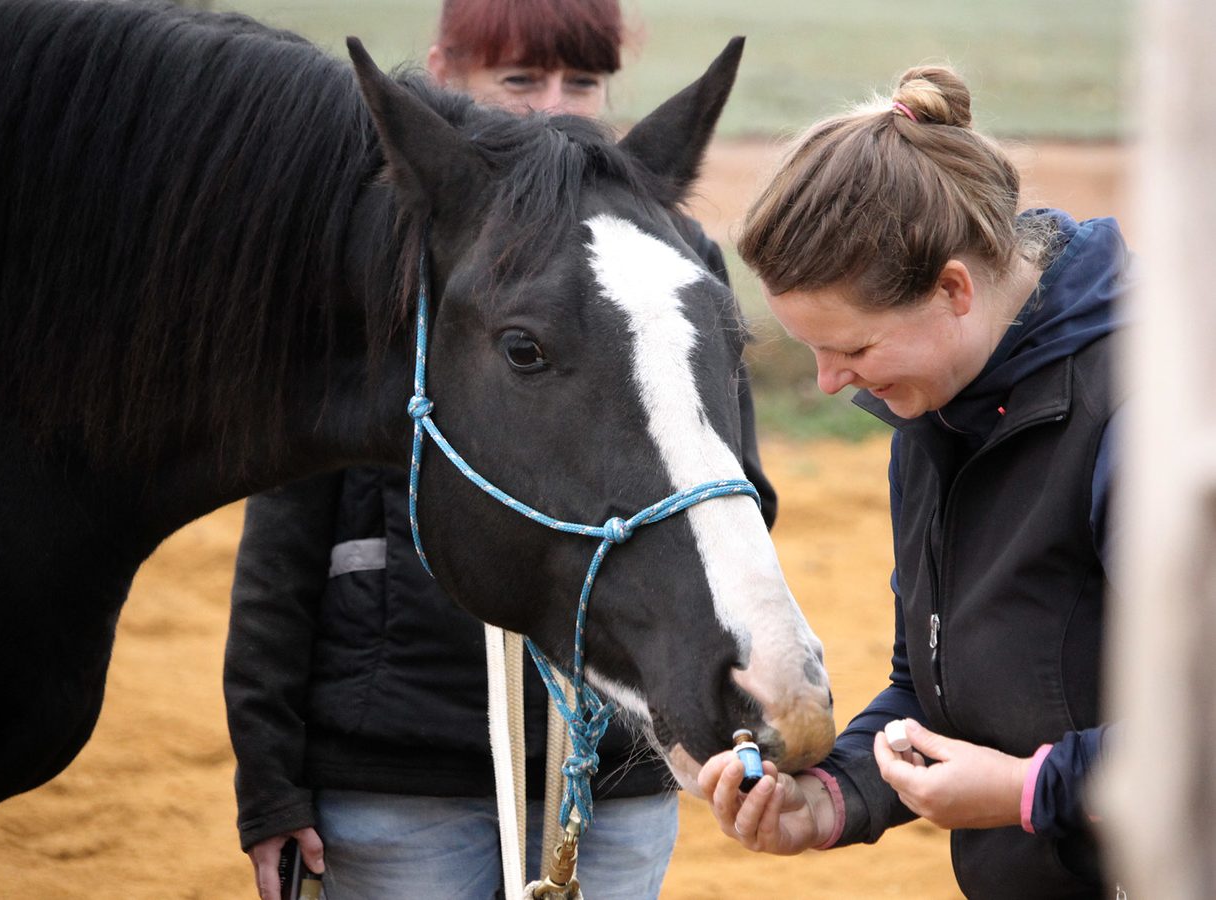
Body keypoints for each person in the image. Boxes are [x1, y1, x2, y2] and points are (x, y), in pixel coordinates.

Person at [223, 2, 777, 898]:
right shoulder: (376, 260)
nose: (552, 104)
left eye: (581, 82)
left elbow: (735, 502)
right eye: (518, 79)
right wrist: (271, 778)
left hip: (613, 778)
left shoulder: (667, 263)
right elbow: (282, 548)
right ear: (444, 74)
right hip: (399, 774)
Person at [697, 65, 1127, 899]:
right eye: (814, 352)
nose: (830, 383)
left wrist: (1030, 791)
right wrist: (831, 799)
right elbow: (935, 685)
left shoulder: (1146, 409)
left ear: (954, 288)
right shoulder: (938, 408)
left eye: (853, 350)